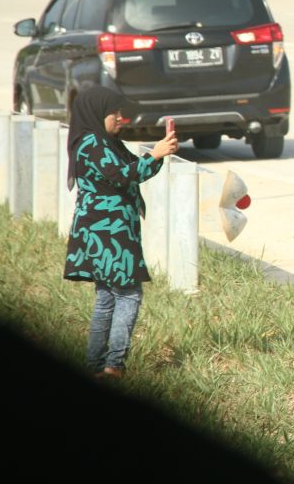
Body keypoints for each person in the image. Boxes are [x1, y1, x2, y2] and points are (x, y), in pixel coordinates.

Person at [63, 88, 178, 377]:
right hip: (107, 232)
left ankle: (95, 365)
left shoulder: (105, 142)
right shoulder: (92, 144)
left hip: (107, 229)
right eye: (115, 112)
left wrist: (159, 153)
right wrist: (155, 153)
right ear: (97, 113)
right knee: (128, 293)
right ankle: (114, 364)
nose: (121, 118)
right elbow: (123, 176)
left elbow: (134, 169)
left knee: (107, 297)